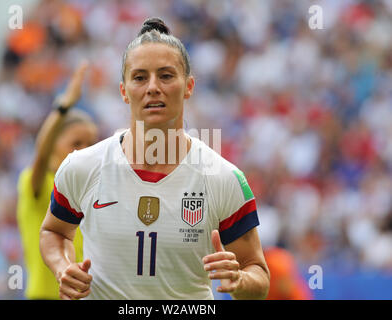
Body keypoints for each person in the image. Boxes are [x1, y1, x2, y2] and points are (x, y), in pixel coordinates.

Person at [40, 18, 270, 300]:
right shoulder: (82, 167)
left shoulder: (223, 177)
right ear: (124, 91)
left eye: (166, 75)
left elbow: (258, 274)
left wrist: (241, 280)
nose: (152, 87)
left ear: (189, 86)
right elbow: (54, 232)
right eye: (139, 77)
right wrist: (62, 267)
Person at [17, 62, 99, 299]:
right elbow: (40, 154)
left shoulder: (93, 188)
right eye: (76, 143)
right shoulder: (38, 183)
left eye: (91, 143)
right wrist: (62, 107)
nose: (85, 150)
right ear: (53, 145)